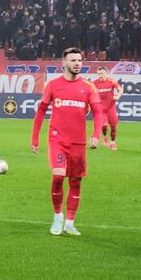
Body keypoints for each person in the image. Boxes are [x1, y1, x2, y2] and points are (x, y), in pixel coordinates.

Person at [30, 47, 103, 237]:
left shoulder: (88, 87)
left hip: (78, 142)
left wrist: (96, 135)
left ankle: (70, 222)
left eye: (79, 60)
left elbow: (98, 112)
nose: (77, 63)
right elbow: (40, 112)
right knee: (58, 176)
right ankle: (57, 216)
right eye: (73, 60)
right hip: (58, 139)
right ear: (64, 63)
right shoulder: (53, 85)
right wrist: (35, 138)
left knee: (76, 181)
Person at [91, 66, 121, 150]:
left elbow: (120, 89)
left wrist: (118, 95)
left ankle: (113, 142)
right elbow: (89, 93)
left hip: (111, 108)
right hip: (100, 109)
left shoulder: (111, 81)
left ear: (106, 73)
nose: (100, 75)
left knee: (113, 126)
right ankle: (104, 137)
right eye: (99, 73)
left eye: (102, 73)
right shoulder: (94, 83)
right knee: (104, 126)